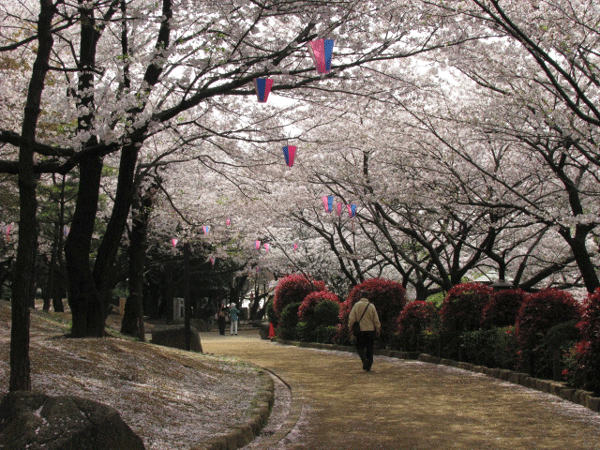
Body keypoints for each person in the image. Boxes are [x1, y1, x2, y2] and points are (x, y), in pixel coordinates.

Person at [348, 295, 381, 371]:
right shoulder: (371, 306)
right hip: (370, 330)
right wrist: (378, 329)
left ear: (360, 297)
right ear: (368, 297)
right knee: (370, 348)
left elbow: (352, 318)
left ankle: (364, 359)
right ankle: (368, 367)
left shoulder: (357, 305)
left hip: (360, 331)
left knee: (359, 346)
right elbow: (376, 319)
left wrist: (350, 327)